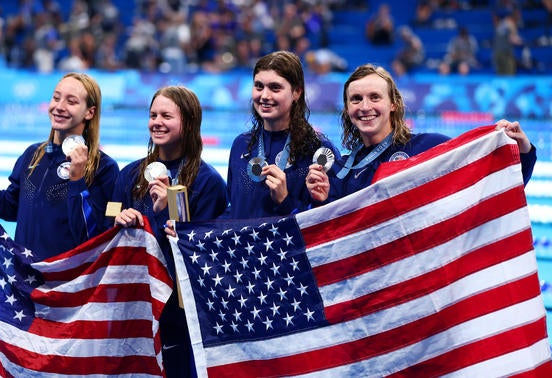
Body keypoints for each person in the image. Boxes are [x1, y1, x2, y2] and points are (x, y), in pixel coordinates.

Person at [110, 85, 227, 377]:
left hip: (179, 308)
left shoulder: (208, 182)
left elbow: (202, 247)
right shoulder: (128, 174)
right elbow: (107, 216)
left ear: (188, 123)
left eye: (166, 115)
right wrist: (117, 218)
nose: (157, 122)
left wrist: (171, 206)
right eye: (152, 115)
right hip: (135, 299)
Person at [306, 63, 537, 203]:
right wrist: (321, 198)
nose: (365, 107)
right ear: (347, 110)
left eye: (375, 97)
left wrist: (523, 151)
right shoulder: (341, 172)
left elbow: (493, 182)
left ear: (393, 104)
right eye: (356, 99)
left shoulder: (428, 147)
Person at [0, 72, 119, 262]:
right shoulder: (33, 154)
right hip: (25, 279)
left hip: (67, 284)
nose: (59, 106)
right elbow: (10, 207)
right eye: (56, 98)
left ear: (89, 112)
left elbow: (93, 237)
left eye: (71, 102)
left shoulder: (104, 168)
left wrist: (77, 180)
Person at [223, 50, 340, 219]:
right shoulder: (241, 144)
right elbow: (233, 209)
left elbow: (328, 224)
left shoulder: (319, 151)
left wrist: (285, 201)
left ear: (296, 92)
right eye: (259, 86)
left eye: (275, 88)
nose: (264, 95)